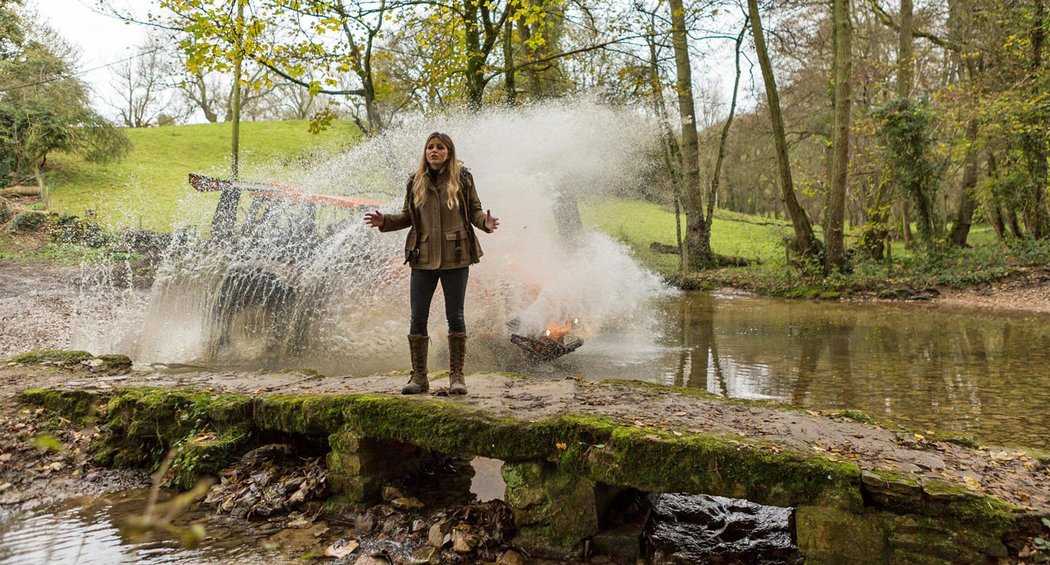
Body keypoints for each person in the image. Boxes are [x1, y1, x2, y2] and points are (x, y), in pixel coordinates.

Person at [365, 132, 499, 395]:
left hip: (456, 255)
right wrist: (385, 222)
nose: (434, 151)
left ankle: (457, 377)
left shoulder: (463, 178)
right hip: (422, 256)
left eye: (440, 147)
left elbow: (474, 211)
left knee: (456, 316)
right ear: (425, 152)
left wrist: (486, 222)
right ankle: (419, 377)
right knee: (417, 318)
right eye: (430, 147)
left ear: (449, 152)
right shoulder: (415, 181)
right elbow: (407, 217)